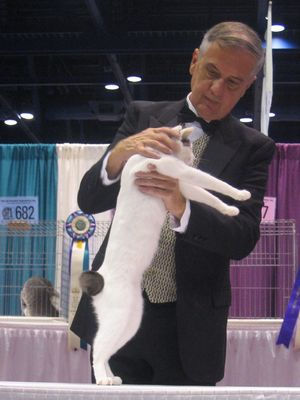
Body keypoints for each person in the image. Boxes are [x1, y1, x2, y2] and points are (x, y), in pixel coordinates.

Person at [71, 21, 275, 386]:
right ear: (194, 61)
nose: (216, 89)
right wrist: (118, 154)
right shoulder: (142, 116)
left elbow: (243, 237)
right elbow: (89, 199)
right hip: (119, 303)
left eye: (233, 82)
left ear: (248, 87)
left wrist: (182, 206)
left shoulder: (254, 147)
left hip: (189, 327)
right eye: (212, 72)